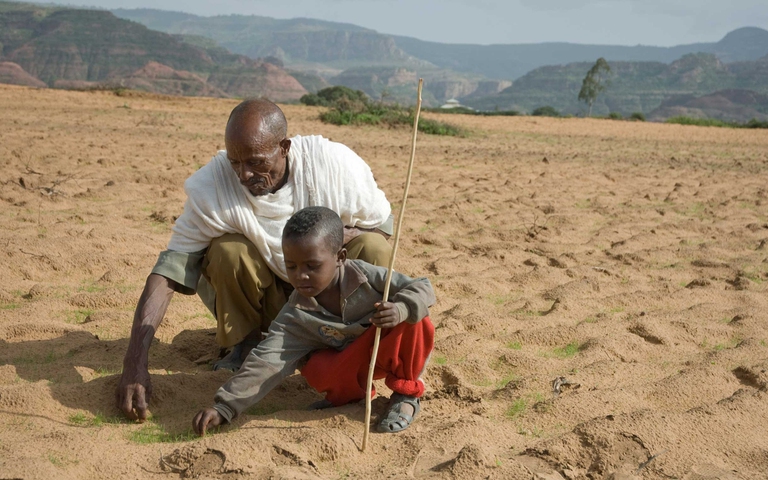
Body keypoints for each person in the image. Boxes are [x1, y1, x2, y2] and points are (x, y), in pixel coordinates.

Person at [116, 99, 394, 421]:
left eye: (256, 162)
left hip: (327, 297)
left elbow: (382, 225)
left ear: (284, 147)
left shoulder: (331, 165)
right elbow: (168, 273)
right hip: (270, 307)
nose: (244, 174)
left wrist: (338, 237)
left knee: (373, 248)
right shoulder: (216, 184)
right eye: (235, 162)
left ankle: (352, 342)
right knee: (228, 251)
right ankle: (245, 345)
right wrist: (134, 361)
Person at [192, 206, 435, 435]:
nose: (301, 276)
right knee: (316, 368)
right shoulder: (294, 314)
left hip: (384, 350)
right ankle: (350, 397)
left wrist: (401, 309)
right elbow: (265, 361)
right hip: (349, 365)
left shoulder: (367, 276)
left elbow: (423, 287)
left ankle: (406, 397)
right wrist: (225, 407)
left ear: (340, 257)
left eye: (312, 266)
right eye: (292, 266)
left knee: (417, 319)